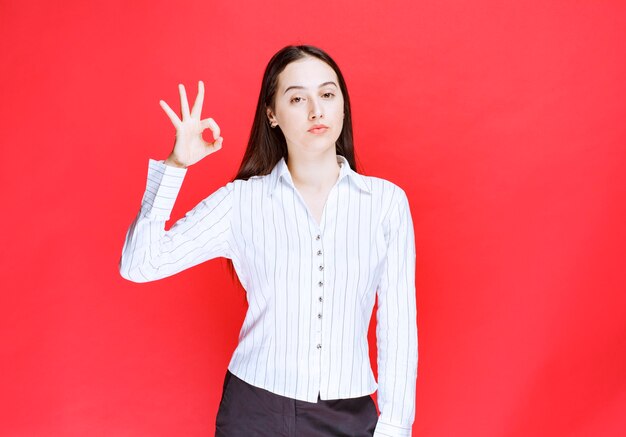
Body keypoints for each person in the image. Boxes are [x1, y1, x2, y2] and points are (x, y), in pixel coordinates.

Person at [119, 44, 418, 437]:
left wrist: (395, 425)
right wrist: (175, 166)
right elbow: (140, 265)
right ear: (272, 114)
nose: (316, 110)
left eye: (327, 94)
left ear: (343, 106)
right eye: (297, 98)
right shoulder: (242, 201)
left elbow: (397, 325)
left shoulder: (386, 204)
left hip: (347, 415)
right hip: (254, 411)